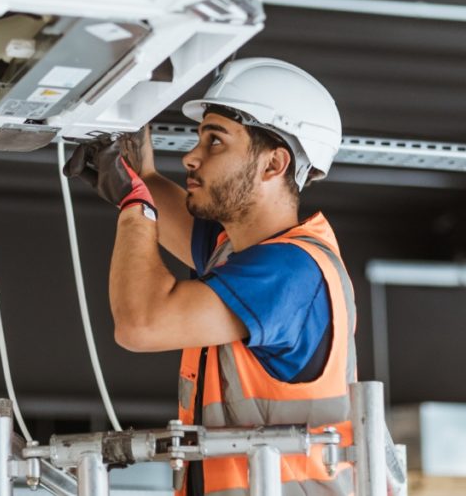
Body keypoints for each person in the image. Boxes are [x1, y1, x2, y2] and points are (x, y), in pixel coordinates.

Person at [64, 58, 357, 496]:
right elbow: (154, 194)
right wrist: (134, 172)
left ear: (273, 165)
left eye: (215, 142)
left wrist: (135, 206)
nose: (190, 157)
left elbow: (141, 323)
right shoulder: (237, 255)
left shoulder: (289, 271)